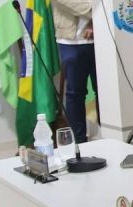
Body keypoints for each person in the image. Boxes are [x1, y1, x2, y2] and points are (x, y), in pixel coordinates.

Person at [52, 0, 98, 143]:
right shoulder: (95, 10)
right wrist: (95, 12)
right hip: (70, 41)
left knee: (104, 92)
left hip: (101, 37)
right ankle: (79, 142)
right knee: (75, 93)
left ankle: (110, 136)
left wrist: (95, 21)